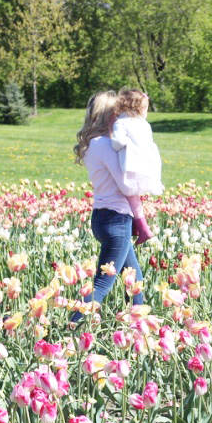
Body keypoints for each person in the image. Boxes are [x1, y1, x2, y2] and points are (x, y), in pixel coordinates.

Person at [71, 90, 147, 323]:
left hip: (103, 218)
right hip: (116, 220)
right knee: (103, 284)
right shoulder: (104, 144)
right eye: (118, 113)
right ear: (108, 115)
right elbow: (125, 184)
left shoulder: (94, 144)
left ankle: (138, 325)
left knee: (133, 279)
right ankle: (72, 325)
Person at [110, 89, 163, 244]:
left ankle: (143, 229)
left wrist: (117, 146)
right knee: (135, 197)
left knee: (129, 195)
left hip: (131, 163)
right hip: (146, 164)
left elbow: (118, 142)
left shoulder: (121, 123)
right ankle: (136, 227)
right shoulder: (144, 124)